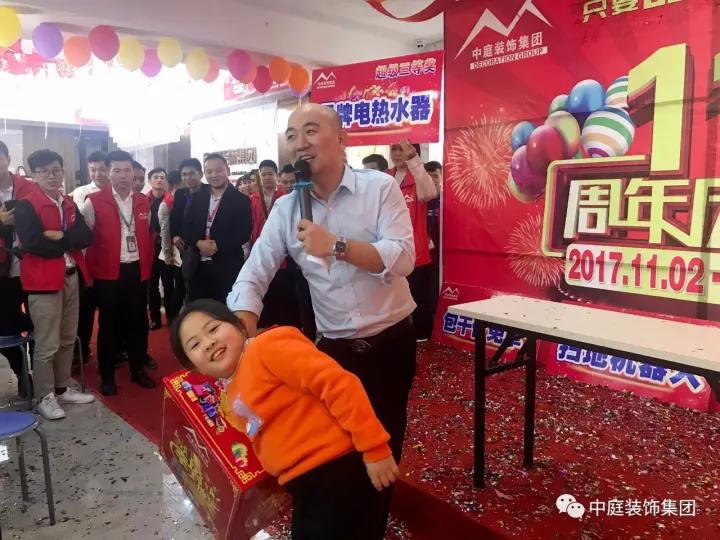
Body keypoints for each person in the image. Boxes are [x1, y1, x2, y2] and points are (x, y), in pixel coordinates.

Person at [228, 104, 416, 535]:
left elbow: (403, 258)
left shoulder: (379, 188)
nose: (300, 143)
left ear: (342, 139)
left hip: (390, 346)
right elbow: (254, 275)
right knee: (331, 457)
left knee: (383, 451)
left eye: (311, 131)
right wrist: (241, 336)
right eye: (292, 135)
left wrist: (336, 245)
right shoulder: (286, 209)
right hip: (334, 354)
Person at [170, 299, 399, 540]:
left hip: (335, 469)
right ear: (196, 369)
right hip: (304, 483)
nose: (209, 343)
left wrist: (374, 448)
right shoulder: (231, 390)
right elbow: (259, 428)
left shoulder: (267, 347)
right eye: (195, 344)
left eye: (213, 328)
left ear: (239, 326)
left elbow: (338, 384)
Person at [14, 149, 95, 419]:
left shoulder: (68, 202)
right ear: (34, 175)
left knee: (68, 338)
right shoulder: (26, 205)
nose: (51, 176)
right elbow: (35, 244)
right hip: (43, 282)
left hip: (71, 276)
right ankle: (44, 396)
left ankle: (62, 388)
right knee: (47, 343)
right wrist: (68, 239)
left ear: (63, 172)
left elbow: (85, 237)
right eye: (44, 172)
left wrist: (59, 236)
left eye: (56, 170)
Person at [81, 150, 156, 396]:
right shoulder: (94, 201)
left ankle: (137, 370)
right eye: (117, 170)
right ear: (108, 172)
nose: (123, 176)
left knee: (138, 322)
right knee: (108, 325)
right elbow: (84, 241)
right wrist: (88, 275)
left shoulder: (143, 201)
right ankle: (107, 376)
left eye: (127, 170)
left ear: (133, 172)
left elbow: (149, 235)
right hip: (107, 275)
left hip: (136, 271)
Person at [183, 153, 252, 303]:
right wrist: (198, 243)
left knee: (225, 310)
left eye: (219, 170)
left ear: (227, 170)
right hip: (198, 267)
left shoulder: (241, 200)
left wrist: (218, 245)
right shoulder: (197, 198)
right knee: (199, 310)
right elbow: (186, 228)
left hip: (227, 267)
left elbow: (244, 233)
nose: (214, 175)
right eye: (209, 171)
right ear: (204, 173)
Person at [388, 140, 438, 342]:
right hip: (389, 250)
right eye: (393, 149)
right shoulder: (385, 178)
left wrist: (413, 160)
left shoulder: (419, 177)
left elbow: (430, 193)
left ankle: (422, 337)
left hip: (416, 251)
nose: (397, 153)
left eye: (402, 149)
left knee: (418, 298)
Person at [0, 140, 35, 397]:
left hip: (32, 267)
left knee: (38, 325)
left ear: (8, 159)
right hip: (2, 274)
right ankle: (22, 372)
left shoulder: (28, 187)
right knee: (5, 329)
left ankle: (40, 376)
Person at [249, 159, 300, 329]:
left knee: (285, 295)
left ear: (276, 175)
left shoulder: (286, 196)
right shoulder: (253, 199)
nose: (266, 177)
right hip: (262, 252)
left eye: (270, 174)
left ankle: (289, 329)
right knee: (266, 294)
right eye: (263, 174)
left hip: (284, 256)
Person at [73, 151, 109, 363]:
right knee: (85, 311)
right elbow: (81, 229)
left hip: (113, 261)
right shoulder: (82, 193)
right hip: (87, 262)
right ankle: (81, 350)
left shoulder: (118, 191)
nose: (98, 174)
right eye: (93, 170)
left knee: (111, 309)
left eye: (102, 169)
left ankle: (115, 349)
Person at [158, 170, 184, 323]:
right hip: (171, 251)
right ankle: (172, 317)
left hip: (180, 250)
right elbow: (165, 231)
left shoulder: (178, 200)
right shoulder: (167, 203)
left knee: (178, 286)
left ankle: (174, 317)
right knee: (173, 286)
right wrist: (167, 253)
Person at [146, 167, 169, 330]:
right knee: (151, 284)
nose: (159, 180)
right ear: (150, 181)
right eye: (156, 177)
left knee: (168, 283)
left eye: (162, 177)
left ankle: (172, 316)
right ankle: (154, 318)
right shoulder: (144, 200)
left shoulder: (172, 200)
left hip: (169, 247)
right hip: (150, 247)